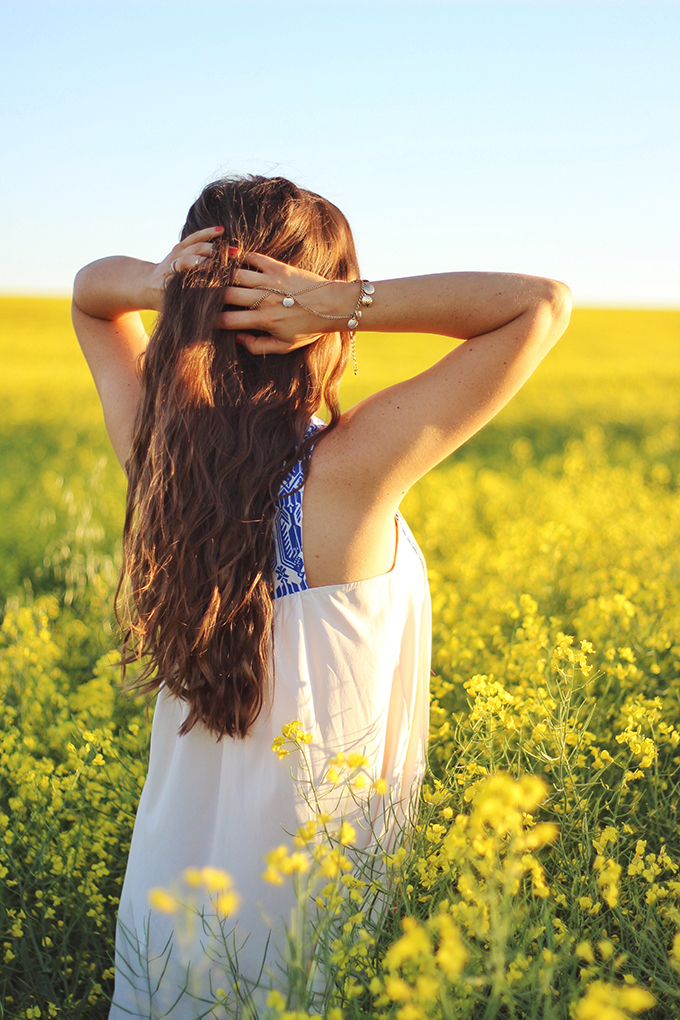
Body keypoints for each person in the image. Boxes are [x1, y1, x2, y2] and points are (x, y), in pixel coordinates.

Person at [72, 175, 571, 1018]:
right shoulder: (346, 475)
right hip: (297, 923)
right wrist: (344, 303)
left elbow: (91, 297)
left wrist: (172, 288)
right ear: (309, 319)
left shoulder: (159, 457)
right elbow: (541, 305)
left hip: (170, 912)